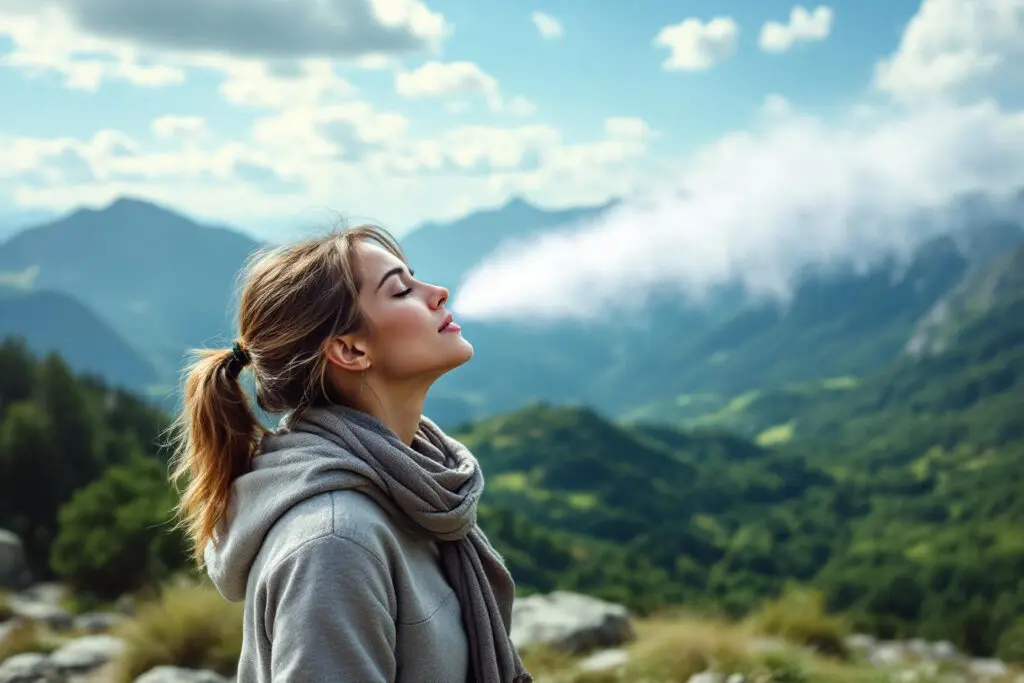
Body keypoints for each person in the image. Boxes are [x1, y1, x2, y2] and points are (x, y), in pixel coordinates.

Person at [169, 224, 532, 683]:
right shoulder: (336, 544)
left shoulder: (415, 488)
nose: (437, 292)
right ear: (349, 349)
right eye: (401, 291)